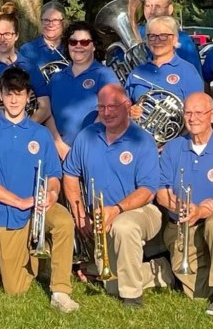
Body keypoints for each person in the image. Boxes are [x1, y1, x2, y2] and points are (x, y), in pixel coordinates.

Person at [0, 68, 79, 312]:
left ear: (28, 96)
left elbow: (54, 175)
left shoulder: (41, 133)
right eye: (9, 94)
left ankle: (60, 291)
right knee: (15, 289)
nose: (13, 100)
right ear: (0, 95)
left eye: (19, 94)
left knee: (63, 221)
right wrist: (19, 202)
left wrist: (52, 193)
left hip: (40, 207)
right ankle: (39, 259)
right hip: (8, 214)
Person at [62, 84, 172, 307]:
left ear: (127, 106)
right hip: (102, 216)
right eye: (101, 107)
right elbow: (71, 174)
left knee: (124, 226)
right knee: (111, 284)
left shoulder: (143, 140)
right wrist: (80, 213)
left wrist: (117, 210)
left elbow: (147, 190)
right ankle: (161, 269)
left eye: (112, 106)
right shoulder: (86, 136)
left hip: (139, 211)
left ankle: (132, 297)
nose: (106, 112)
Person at [157, 93, 213, 316]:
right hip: (182, 225)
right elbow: (161, 194)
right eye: (188, 113)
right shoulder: (173, 148)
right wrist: (184, 208)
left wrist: (203, 210)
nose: (192, 118)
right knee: (199, 293)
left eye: (199, 113)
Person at [46, 20, 118, 160]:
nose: (78, 46)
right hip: (57, 154)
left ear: (94, 46)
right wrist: (59, 144)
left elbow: (112, 111)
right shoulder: (56, 78)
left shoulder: (104, 75)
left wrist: (82, 148)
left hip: (93, 153)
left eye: (84, 42)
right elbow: (47, 114)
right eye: (73, 42)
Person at [0, 2, 50, 123]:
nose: (2, 39)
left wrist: (26, 128)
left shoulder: (30, 67)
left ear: (16, 35)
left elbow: (45, 108)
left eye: (7, 34)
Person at [125, 15, 205, 111]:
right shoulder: (137, 72)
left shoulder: (188, 71)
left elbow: (198, 111)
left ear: (174, 39)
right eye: (152, 36)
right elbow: (123, 108)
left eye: (163, 36)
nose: (157, 41)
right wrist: (130, 112)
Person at [140, 0, 204, 75]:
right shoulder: (136, 33)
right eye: (148, 6)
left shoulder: (183, 41)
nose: (152, 11)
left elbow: (194, 77)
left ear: (169, 9)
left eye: (157, 6)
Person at [19, 1, 69, 74]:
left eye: (55, 20)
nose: (51, 25)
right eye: (46, 20)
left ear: (63, 22)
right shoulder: (27, 50)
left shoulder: (73, 48)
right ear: (41, 22)